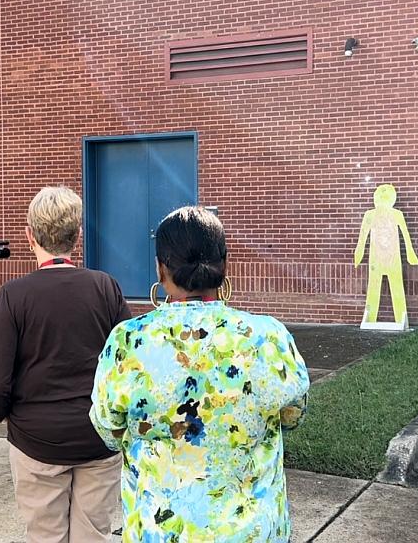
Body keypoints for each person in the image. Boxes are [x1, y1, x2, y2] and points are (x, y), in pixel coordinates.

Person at [90, 206, 309, 543]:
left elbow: (107, 426)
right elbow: (293, 414)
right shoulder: (268, 336)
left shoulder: (128, 342)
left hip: (160, 531)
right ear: (225, 264)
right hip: (254, 531)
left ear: (161, 269)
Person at [0, 185, 131, 543]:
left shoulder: (14, 296)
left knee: (45, 535)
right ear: (77, 235)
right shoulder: (106, 287)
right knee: (93, 533)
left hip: (37, 438)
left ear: (29, 234)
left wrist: (3, 414)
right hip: (97, 435)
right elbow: (127, 364)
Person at [353, 183, 418, 326]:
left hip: (390, 257)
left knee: (394, 287)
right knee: (375, 288)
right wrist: (358, 253)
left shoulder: (394, 214)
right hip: (380, 259)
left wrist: (410, 253)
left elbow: (405, 235)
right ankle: (370, 319)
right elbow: (362, 236)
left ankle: (400, 319)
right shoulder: (372, 215)